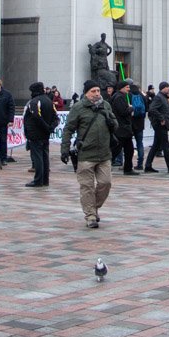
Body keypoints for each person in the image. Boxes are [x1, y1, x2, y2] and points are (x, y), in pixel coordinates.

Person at [60, 80, 119, 228]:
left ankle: (94, 207)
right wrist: (65, 149)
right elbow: (68, 129)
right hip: (86, 154)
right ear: (86, 93)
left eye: (98, 91)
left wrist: (110, 120)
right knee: (87, 186)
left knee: (106, 183)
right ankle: (90, 215)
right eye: (93, 91)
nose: (97, 94)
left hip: (104, 154)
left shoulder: (105, 105)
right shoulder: (79, 108)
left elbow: (115, 124)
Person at [23, 81, 58, 187]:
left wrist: (47, 128)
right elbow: (56, 117)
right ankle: (45, 180)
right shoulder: (49, 101)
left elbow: (37, 117)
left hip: (36, 133)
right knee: (45, 156)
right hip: (45, 134)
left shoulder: (34, 102)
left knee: (38, 156)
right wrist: (51, 128)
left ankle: (38, 180)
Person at [143, 82, 169, 173]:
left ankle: (148, 165)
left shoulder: (163, 98)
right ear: (162, 88)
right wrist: (162, 118)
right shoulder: (158, 97)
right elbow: (152, 109)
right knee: (165, 146)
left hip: (163, 125)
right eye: (167, 87)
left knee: (156, 145)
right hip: (160, 125)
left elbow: (165, 108)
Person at [110, 79, 139, 175]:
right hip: (122, 129)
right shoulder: (119, 97)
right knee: (116, 149)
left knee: (129, 150)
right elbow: (123, 112)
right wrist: (131, 108)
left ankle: (128, 168)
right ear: (122, 88)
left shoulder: (121, 96)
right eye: (127, 87)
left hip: (124, 129)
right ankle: (105, 165)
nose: (128, 89)